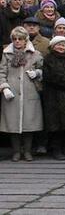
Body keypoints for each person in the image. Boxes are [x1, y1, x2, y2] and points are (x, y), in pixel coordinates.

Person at [0, 27, 44, 162]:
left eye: (20, 39)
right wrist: (4, 87)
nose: (17, 41)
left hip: (30, 92)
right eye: (14, 39)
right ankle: (16, 151)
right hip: (11, 93)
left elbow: (43, 69)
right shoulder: (7, 54)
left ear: (26, 40)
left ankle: (28, 151)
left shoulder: (35, 54)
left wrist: (37, 73)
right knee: (13, 124)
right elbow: (2, 72)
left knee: (29, 123)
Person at [41, 36, 65, 160]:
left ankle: (64, 148)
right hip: (54, 96)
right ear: (53, 46)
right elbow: (50, 77)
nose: (61, 47)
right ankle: (56, 149)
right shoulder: (48, 59)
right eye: (58, 45)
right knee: (56, 124)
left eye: (63, 45)